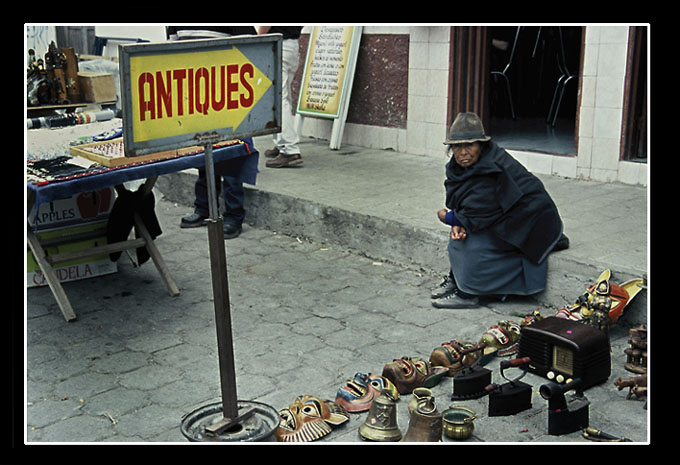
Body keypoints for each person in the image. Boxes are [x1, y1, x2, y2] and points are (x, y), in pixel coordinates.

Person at [431, 112, 568, 309]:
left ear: (482, 146)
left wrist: (448, 217)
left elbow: (482, 211)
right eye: (457, 146)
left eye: (470, 145)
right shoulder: (459, 167)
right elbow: (471, 207)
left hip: (531, 220)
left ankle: (468, 293)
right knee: (458, 239)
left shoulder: (491, 167)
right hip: (501, 216)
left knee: (474, 246)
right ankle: (456, 279)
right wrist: (459, 222)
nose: (463, 152)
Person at [167, 26, 257, 239]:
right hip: (196, 98)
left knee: (231, 157)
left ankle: (234, 215)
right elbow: (171, 52)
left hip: (228, 97)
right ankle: (204, 208)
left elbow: (251, 49)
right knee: (203, 158)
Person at [255, 26, 303, 168]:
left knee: (278, 99)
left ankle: (289, 149)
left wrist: (257, 38)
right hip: (291, 45)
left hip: (278, 44)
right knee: (284, 97)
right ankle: (281, 143)